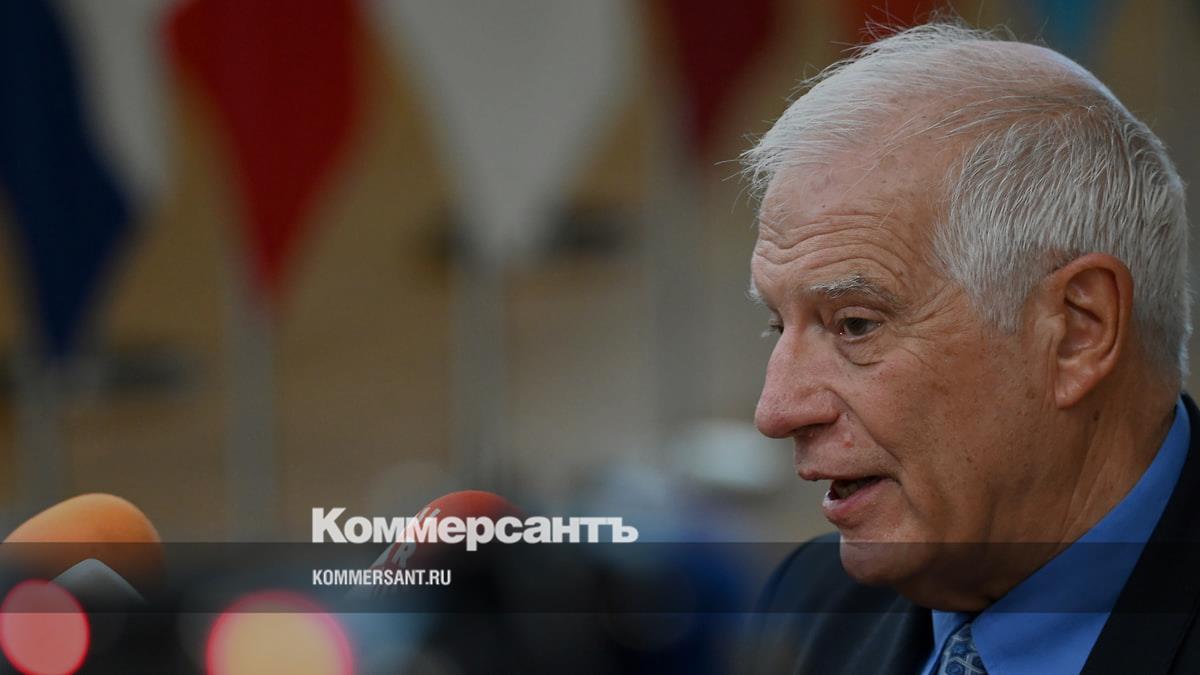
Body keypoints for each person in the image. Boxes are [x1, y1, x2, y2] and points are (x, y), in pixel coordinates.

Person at [744, 22, 1196, 675]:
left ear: (1079, 330)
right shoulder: (805, 606)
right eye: (776, 325)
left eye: (855, 325)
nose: (776, 410)